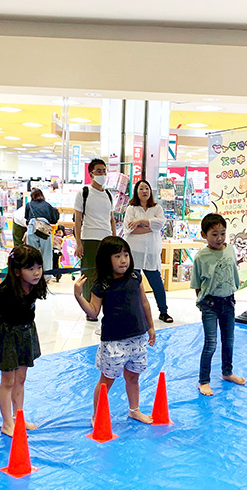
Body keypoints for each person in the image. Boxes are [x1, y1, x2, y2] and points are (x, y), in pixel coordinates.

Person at [73, 236, 156, 425]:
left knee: (133, 377)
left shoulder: (135, 277)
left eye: (126, 255)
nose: (123, 260)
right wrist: (78, 296)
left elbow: (144, 302)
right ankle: (96, 414)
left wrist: (151, 326)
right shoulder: (102, 284)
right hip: (113, 342)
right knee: (106, 380)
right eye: (117, 256)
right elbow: (93, 312)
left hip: (137, 337)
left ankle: (134, 410)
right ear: (106, 259)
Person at [0, 245, 47, 434]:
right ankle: (6, 423)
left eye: (39, 267)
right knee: (8, 381)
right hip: (8, 336)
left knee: (21, 378)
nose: (37, 273)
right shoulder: (5, 291)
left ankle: (17, 417)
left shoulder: (34, 287)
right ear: (16, 271)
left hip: (26, 333)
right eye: (30, 269)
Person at [191, 213, 246, 396]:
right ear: (203, 234)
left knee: (228, 341)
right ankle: (203, 381)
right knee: (211, 343)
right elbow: (197, 284)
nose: (219, 238)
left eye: (222, 233)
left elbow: (233, 273)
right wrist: (202, 302)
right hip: (210, 304)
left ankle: (227, 372)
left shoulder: (229, 249)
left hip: (228, 302)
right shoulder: (201, 257)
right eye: (214, 234)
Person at [123, 180, 173, 323]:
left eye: (146, 188)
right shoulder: (131, 208)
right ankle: (132, 311)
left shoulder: (157, 208)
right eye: (141, 189)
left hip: (151, 251)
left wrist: (140, 221)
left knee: (157, 282)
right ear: (136, 192)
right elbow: (128, 229)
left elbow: (161, 223)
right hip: (134, 252)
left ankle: (163, 312)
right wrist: (150, 226)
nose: (144, 191)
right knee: (132, 283)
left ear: (150, 191)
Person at [74, 159, 116, 320]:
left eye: (104, 171)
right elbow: (78, 220)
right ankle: (90, 310)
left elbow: (111, 219)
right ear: (91, 173)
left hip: (106, 240)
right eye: (99, 171)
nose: (102, 174)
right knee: (89, 274)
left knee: (106, 275)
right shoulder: (83, 193)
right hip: (89, 238)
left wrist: (114, 238)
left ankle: (104, 305)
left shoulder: (108, 195)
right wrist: (79, 243)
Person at [25, 188, 60, 276]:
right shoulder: (47, 205)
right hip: (44, 228)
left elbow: (26, 218)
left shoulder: (28, 204)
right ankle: (47, 276)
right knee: (47, 253)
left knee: (31, 253)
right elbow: (53, 219)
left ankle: (31, 274)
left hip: (32, 228)